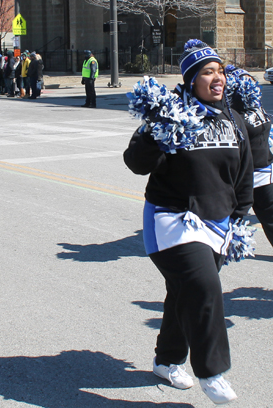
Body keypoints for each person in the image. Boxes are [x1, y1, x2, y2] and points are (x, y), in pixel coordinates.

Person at [123, 39, 253, 405]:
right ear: (192, 79)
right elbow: (135, 162)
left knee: (184, 293)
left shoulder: (234, 121)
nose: (218, 78)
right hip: (172, 218)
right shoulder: (170, 113)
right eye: (208, 72)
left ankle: (166, 360)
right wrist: (156, 132)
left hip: (217, 223)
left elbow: (242, 177)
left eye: (221, 71)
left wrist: (239, 220)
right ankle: (212, 371)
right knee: (204, 287)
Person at [226, 66, 273, 248]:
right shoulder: (241, 113)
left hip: (261, 172)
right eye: (247, 80)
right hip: (253, 174)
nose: (252, 83)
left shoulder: (248, 110)